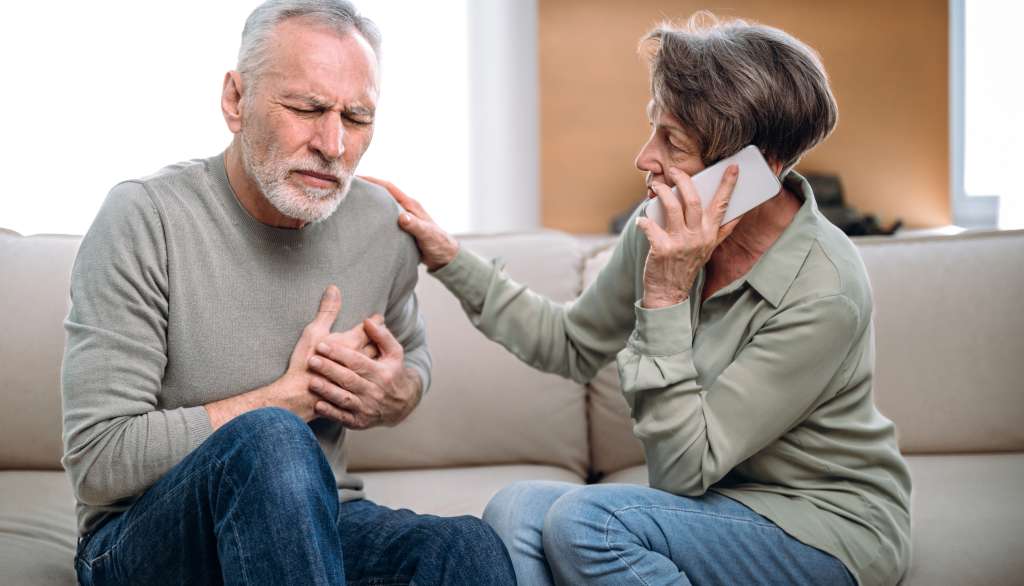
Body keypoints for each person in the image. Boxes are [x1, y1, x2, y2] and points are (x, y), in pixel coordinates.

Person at [369, 14, 911, 586]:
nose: (644, 158)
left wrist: (666, 296)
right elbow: (571, 345)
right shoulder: (657, 225)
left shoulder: (824, 291)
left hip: (824, 529)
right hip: (714, 511)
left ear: (755, 171)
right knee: (516, 509)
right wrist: (450, 258)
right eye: (654, 128)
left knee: (590, 523)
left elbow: (683, 470)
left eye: (672, 141)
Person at [61, 1, 515, 584]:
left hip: (318, 521)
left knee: (464, 547)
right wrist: (283, 401)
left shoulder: (381, 225)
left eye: (356, 118)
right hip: (139, 539)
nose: (332, 143)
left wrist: (395, 392)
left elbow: (411, 359)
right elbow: (99, 462)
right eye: (307, 108)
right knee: (271, 439)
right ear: (235, 100)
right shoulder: (144, 218)